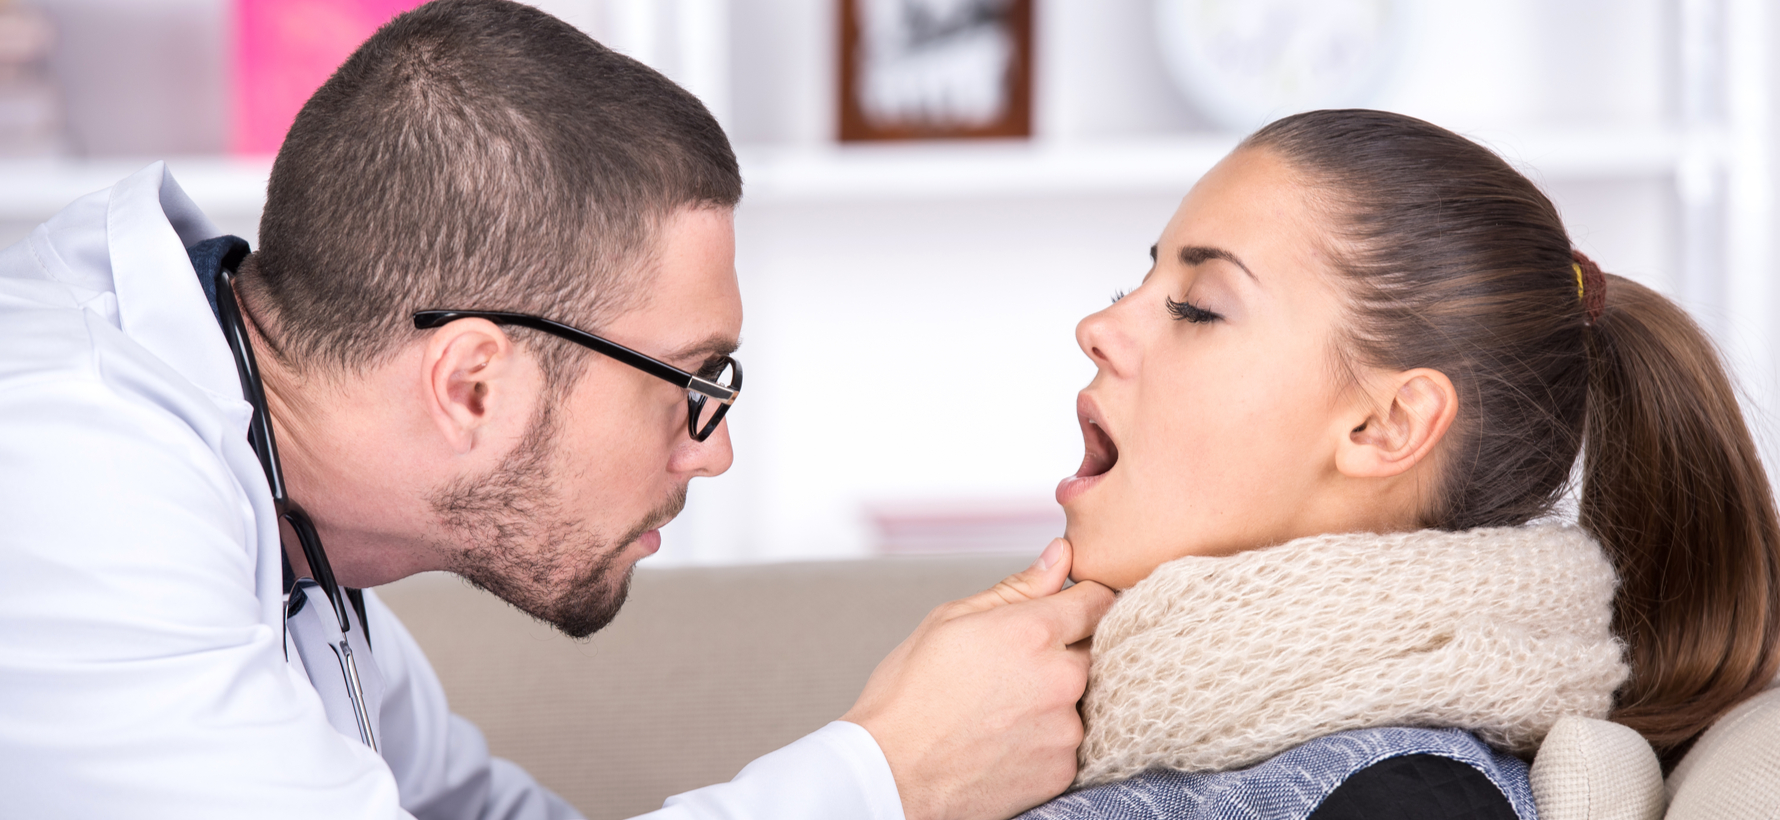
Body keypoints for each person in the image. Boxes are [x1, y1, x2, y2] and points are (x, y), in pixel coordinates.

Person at [0, 2, 1114, 818]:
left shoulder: (292, 515)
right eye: (689, 384)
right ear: (472, 385)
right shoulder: (75, 482)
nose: (711, 453)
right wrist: (887, 775)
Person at [1020, 109, 1780, 819]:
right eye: (1138, 287)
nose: (1098, 326)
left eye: (1197, 308)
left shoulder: (1409, 801)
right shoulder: (1047, 724)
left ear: (1388, 426)